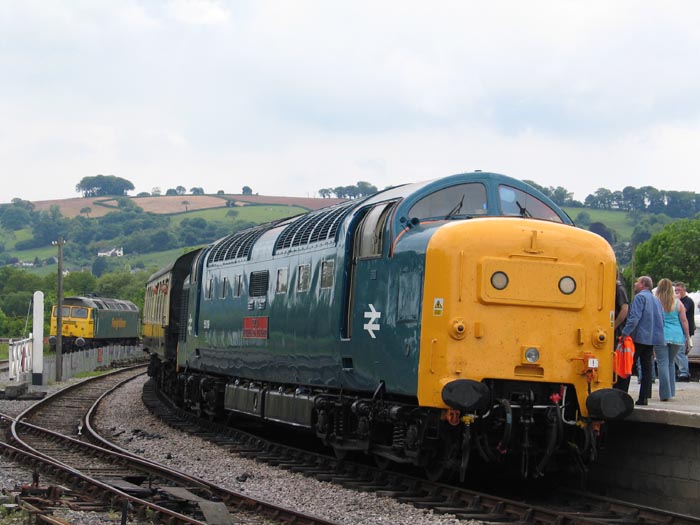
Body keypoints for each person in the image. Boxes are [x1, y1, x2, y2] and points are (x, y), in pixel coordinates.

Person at [621, 276, 665, 406]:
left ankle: (622, 395)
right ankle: (644, 397)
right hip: (652, 338)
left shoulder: (640, 298)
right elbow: (662, 319)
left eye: (637, 282)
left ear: (643, 285)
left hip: (639, 337)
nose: (635, 283)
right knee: (647, 368)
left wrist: (625, 333)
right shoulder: (656, 300)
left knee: (628, 365)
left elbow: (634, 318)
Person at [654, 279, 690, 401]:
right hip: (676, 336)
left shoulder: (656, 302)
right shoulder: (678, 302)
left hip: (660, 335)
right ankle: (671, 391)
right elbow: (684, 321)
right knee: (670, 362)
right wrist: (687, 337)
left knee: (662, 363)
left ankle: (665, 394)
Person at [674, 281, 695, 381]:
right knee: (677, 352)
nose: (677, 292)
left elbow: (683, 310)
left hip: (686, 330)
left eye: (679, 290)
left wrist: (677, 300)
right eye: (676, 290)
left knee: (682, 352)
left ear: (684, 290)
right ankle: (681, 370)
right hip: (678, 330)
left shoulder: (688, 301)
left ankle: (684, 373)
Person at [613, 272, 630, 392]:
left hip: (618, 332)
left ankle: (620, 389)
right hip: (616, 330)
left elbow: (624, 309)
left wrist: (614, 326)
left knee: (619, 360)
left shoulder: (619, 289)